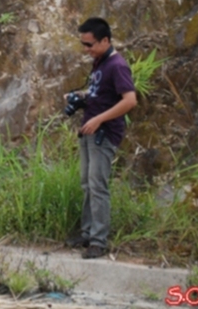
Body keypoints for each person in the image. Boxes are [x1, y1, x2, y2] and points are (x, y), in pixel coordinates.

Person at [65, 18, 137, 259]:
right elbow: (101, 93)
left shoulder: (117, 65)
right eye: (83, 44)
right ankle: (87, 233)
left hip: (103, 134)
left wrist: (99, 120)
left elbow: (129, 100)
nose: (86, 50)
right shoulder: (100, 62)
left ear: (105, 40)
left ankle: (98, 240)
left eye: (90, 44)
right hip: (89, 131)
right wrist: (80, 96)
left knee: (98, 186)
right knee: (87, 184)